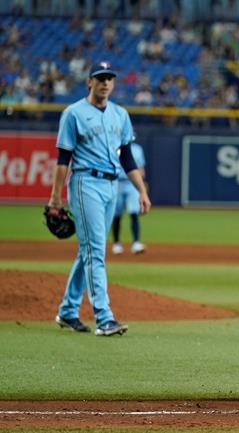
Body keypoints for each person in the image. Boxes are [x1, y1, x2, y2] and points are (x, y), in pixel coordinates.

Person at [48, 61, 151, 336]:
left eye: (109, 78)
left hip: (111, 185)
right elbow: (63, 158)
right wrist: (55, 197)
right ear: (89, 82)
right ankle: (104, 317)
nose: (105, 82)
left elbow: (127, 157)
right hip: (85, 183)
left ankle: (68, 311)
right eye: (100, 78)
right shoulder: (73, 113)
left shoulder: (120, 114)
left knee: (89, 252)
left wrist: (141, 190)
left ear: (113, 84)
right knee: (95, 251)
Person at [111, 142, 147, 255]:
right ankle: (116, 243)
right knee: (116, 215)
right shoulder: (113, 146)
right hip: (117, 183)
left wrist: (142, 186)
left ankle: (136, 243)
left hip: (132, 184)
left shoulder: (137, 149)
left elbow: (141, 168)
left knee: (134, 212)